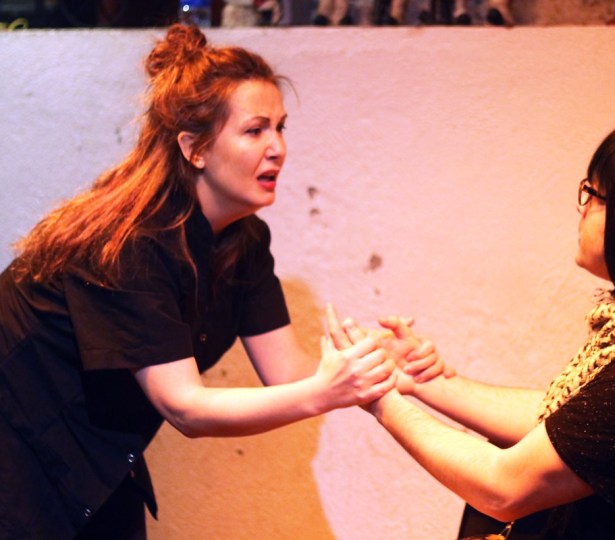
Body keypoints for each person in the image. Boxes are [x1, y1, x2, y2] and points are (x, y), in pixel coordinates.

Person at [0, 23, 444, 539]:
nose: (277, 148)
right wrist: (327, 391)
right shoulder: (133, 242)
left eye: (280, 128)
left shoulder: (244, 241)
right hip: (15, 444)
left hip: (91, 461)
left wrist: (382, 366)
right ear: (195, 149)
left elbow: (289, 373)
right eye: (255, 131)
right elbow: (185, 407)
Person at [330, 120, 615, 539]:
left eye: (595, 195)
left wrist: (380, 399)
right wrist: (423, 382)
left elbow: (502, 487)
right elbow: (577, 425)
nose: (581, 207)